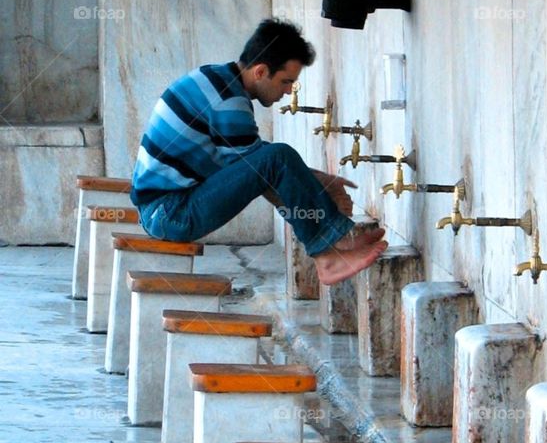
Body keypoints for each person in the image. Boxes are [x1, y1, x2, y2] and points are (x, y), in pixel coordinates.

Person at [129, 19, 386, 285]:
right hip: (170, 213)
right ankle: (328, 256)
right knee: (278, 157)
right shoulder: (229, 101)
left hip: (163, 208)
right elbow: (265, 169)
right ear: (261, 71)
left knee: (276, 158)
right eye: (286, 82)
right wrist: (323, 199)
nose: (288, 92)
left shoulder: (218, 80)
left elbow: (257, 161)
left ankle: (336, 241)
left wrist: (322, 183)